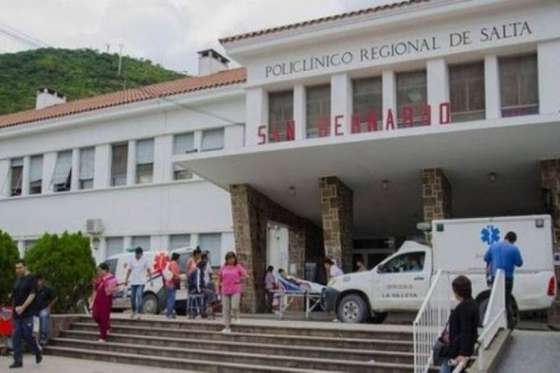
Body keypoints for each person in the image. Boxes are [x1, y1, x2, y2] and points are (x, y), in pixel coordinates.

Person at [438, 275, 479, 373]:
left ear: (458, 292)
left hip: (456, 350)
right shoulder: (473, 304)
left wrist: (462, 353)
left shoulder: (464, 307)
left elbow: (466, 331)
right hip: (460, 348)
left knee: (446, 369)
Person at [484, 231, 523, 328]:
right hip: (508, 278)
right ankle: (509, 324)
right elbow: (519, 263)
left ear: (505, 237)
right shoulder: (514, 248)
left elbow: (486, 258)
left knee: (496, 300)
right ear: (513, 240)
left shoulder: (494, 246)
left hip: (495, 278)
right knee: (507, 300)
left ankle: (494, 323)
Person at [10, 259, 42, 369]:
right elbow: (14, 297)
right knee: (16, 336)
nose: (17, 270)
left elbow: (32, 294)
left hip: (28, 312)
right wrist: (12, 310)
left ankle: (37, 351)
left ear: (25, 267)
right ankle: (18, 361)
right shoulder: (18, 280)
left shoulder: (32, 278)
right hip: (17, 314)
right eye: (16, 268)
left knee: (27, 334)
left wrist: (23, 307)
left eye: (20, 267)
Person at [217, 251, 247, 333]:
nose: (231, 260)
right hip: (225, 290)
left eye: (232, 258)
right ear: (226, 259)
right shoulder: (223, 267)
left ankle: (236, 316)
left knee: (234, 306)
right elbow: (219, 278)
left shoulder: (238, 266)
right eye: (229, 258)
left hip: (235, 289)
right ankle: (227, 327)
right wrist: (218, 288)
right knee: (226, 309)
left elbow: (245, 275)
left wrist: (239, 280)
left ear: (234, 259)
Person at [91, 263, 118, 343]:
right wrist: (94, 284)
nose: (98, 272)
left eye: (99, 270)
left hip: (105, 302)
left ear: (105, 270)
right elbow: (96, 288)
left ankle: (103, 337)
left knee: (103, 318)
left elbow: (113, 291)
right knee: (95, 316)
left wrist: (107, 286)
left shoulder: (112, 279)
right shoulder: (100, 278)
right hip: (98, 301)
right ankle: (107, 326)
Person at [124, 247, 152, 319]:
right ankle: (134, 311)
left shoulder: (145, 260)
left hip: (141, 282)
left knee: (139, 295)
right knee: (132, 298)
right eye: (136, 254)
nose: (137, 256)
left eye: (139, 254)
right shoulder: (132, 260)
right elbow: (129, 270)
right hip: (133, 282)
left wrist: (151, 279)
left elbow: (148, 270)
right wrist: (126, 280)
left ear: (141, 254)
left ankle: (139, 312)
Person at [34, 274, 57, 346]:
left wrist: (49, 307)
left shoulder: (47, 289)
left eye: (40, 280)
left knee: (43, 316)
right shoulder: (33, 289)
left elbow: (55, 298)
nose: (39, 282)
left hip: (44, 309)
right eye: (37, 280)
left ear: (43, 280)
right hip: (34, 309)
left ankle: (43, 338)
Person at [164, 253, 181, 319]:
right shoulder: (174, 263)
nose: (179, 260)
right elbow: (174, 273)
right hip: (171, 283)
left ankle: (170, 313)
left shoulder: (171, 263)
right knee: (171, 299)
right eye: (179, 258)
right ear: (177, 258)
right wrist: (179, 277)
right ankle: (169, 314)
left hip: (168, 283)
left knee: (170, 298)